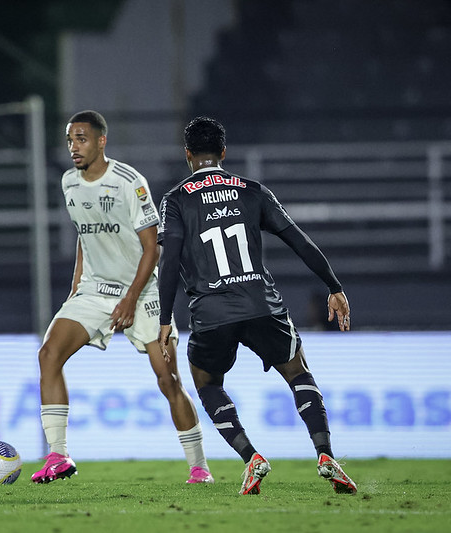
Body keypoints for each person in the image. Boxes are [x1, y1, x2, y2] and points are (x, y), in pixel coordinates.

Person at [157, 116, 357, 496]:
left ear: (187, 155)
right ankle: (326, 454)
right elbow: (298, 240)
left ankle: (251, 457)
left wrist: (166, 320)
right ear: (224, 152)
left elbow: (169, 262)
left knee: (206, 382)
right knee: (298, 372)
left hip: (211, 311)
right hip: (261, 304)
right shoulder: (252, 191)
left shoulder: (177, 199)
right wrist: (333, 286)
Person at [33, 110, 212, 484]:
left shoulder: (129, 182)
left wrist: (131, 298)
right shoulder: (69, 183)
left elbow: (153, 248)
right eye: (69, 140)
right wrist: (76, 285)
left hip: (142, 290)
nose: (73, 147)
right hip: (94, 290)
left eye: (81, 139)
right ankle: (58, 456)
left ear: (101, 141)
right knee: (48, 354)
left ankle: (199, 467)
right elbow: (86, 234)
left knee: (168, 380)